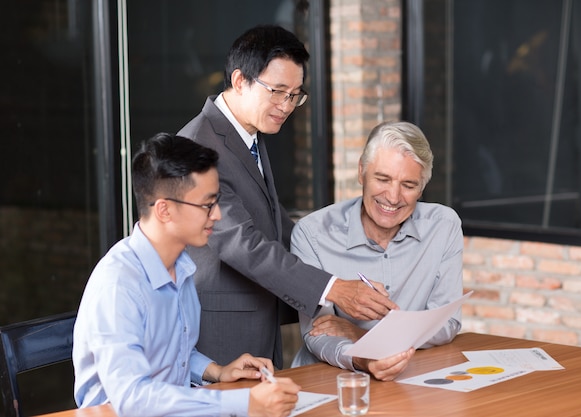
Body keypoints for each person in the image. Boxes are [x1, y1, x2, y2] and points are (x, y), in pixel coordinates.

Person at [178, 24, 397, 369]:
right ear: (239, 81)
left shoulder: (248, 134)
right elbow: (240, 242)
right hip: (219, 334)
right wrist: (333, 288)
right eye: (277, 91)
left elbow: (274, 223)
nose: (286, 106)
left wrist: (341, 267)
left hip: (257, 320)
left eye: (295, 95)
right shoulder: (198, 146)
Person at [72, 133, 300, 417]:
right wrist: (243, 404)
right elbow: (132, 398)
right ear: (165, 210)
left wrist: (217, 371)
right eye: (207, 204)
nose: (217, 214)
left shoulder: (181, 266)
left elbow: (172, 353)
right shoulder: (118, 284)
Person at [290, 121, 464, 381]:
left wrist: (363, 336)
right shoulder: (312, 234)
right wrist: (363, 358)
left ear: (422, 187)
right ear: (362, 172)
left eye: (408, 185)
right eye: (382, 179)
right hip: (328, 381)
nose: (393, 197)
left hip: (408, 378)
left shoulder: (444, 226)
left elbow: (447, 324)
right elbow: (318, 334)